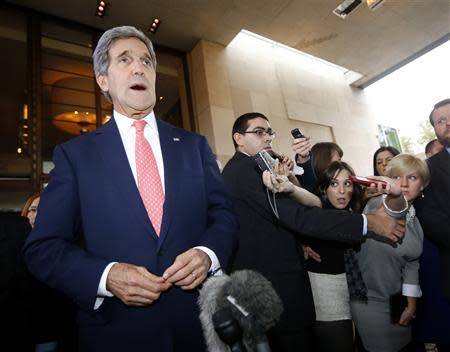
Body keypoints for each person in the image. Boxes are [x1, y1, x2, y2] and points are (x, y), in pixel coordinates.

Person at [23, 26, 238, 352]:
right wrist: (105, 276)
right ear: (103, 80)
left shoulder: (194, 146)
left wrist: (208, 254)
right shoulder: (75, 156)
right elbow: (43, 248)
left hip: (197, 329)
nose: (140, 68)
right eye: (125, 60)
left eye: (147, 62)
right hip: (116, 334)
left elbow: (224, 215)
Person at [222, 112, 405, 352]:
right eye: (259, 132)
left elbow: (295, 210)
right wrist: (368, 223)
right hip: (273, 290)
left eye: (269, 131)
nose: (267, 137)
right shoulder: (243, 172)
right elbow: (297, 216)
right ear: (238, 138)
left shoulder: (256, 166)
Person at [351, 154, 430, 352]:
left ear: (422, 186)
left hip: (396, 301)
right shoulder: (377, 207)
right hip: (369, 301)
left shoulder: (415, 221)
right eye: (396, 178)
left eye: (412, 177)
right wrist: (394, 195)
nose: (403, 183)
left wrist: (411, 305)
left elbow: (413, 262)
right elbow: (394, 210)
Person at [414, 98, 450, 351]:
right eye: (441, 121)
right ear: (436, 130)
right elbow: (429, 216)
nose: (447, 124)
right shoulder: (429, 170)